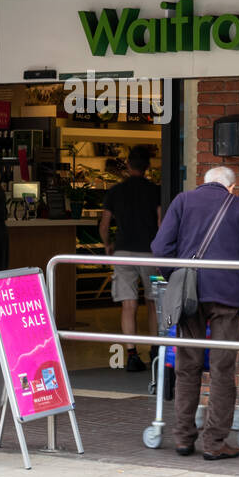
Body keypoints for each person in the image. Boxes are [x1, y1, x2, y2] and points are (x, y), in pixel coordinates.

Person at [150, 165, 239, 460]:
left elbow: (160, 247)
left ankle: (183, 438)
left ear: (204, 183)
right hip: (227, 296)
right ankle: (215, 442)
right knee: (222, 369)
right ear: (231, 187)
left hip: (189, 296)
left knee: (187, 367)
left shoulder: (182, 201)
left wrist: (176, 277)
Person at [100, 145, 162, 372]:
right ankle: (156, 350)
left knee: (128, 304)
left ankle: (132, 354)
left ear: (127, 165)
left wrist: (108, 245)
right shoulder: (155, 191)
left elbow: (104, 225)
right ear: (148, 167)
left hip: (123, 251)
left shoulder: (115, 191)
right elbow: (160, 222)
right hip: (150, 252)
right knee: (154, 302)